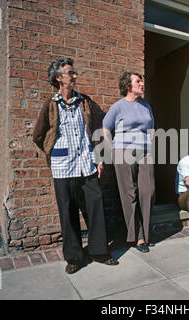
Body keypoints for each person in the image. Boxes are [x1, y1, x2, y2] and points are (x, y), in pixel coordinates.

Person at [33, 58, 118, 274]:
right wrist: (54, 151)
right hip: (62, 166)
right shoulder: (50, 105)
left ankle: (99, 251)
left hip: (86, 163)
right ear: (59, 78)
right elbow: (38, 135)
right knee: (67, 209)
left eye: (74, 73)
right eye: (70, 73)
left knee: (96, 203)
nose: (75, 76)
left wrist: (99, 158)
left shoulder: (85, 102)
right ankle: (74, 257)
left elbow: (99, 129)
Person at [102, 72, 155, 253]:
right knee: (129, 193)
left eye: (142, 80)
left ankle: (145, 233)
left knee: (148, 191)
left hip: (145, 152)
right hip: (123, 152)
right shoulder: (118, 107)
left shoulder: (146, 106)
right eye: (138, 81)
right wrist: (112, 150)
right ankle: (139, 237)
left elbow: (151, 128)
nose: (142, 83)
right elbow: (106, 128)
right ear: (128, 86)